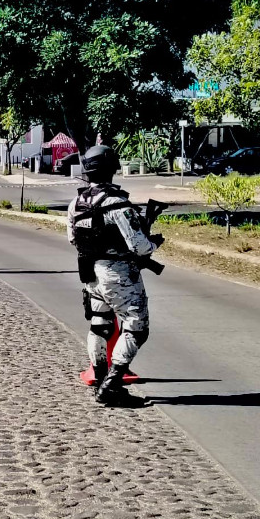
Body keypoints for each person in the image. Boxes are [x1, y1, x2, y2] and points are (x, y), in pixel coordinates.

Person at [67, 145, 164, 405]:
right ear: (112, 168)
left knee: (100, 325)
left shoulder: (76, 203)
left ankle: (100, 377)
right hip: (118, 273)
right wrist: (154, 243)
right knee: (136, 327)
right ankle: (111, 384)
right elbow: (139, 246)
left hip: (90, 272)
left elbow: (72, 238)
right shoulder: (117, 203)